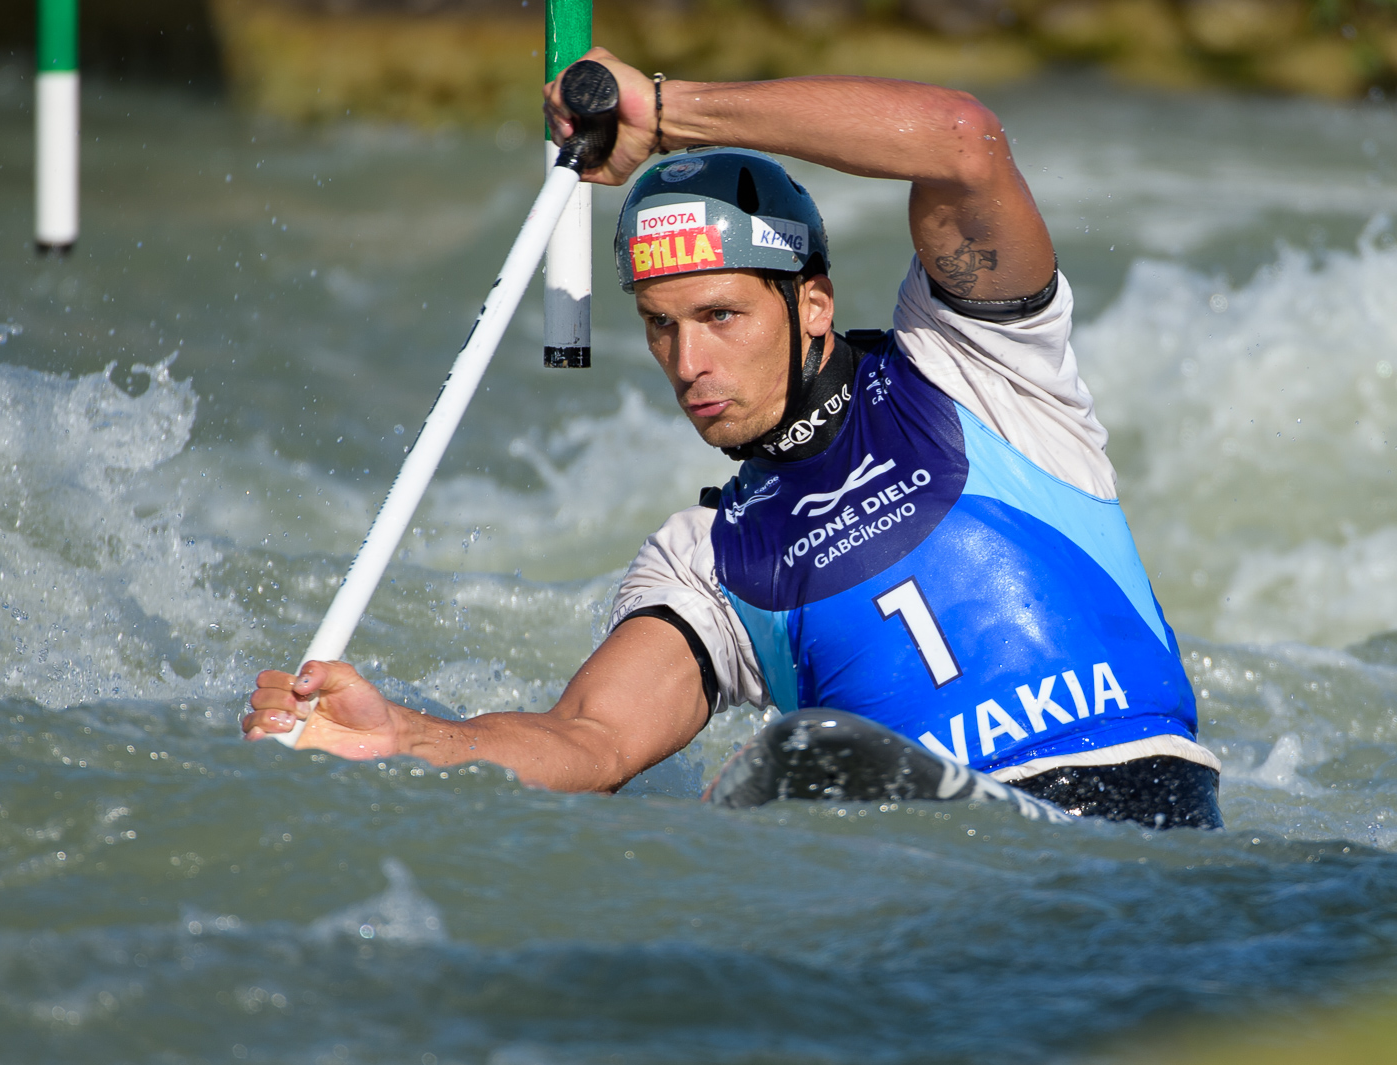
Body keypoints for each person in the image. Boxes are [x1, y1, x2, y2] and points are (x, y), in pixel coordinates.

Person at [244, 48, 1223, 830]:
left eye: (720, 316)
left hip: (1148, 824)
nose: (687, 363)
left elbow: (960, 139)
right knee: (782, 767)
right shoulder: (708, 562)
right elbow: (586, 742)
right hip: (951, 880)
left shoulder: (979, 362)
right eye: (660, 327)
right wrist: (405, 739)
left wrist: (666, 116)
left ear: (812, 304)